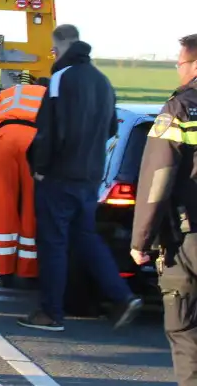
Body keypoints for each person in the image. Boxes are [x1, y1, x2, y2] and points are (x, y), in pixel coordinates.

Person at [19, 24, 142, 332]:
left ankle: (51, 313)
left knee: (53, 243)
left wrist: (40, 166)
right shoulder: (103, 81)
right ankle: (122, 296)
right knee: (86, 237)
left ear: (58, 46)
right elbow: (112, 128)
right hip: (91, 175)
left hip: (59, 174)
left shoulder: (61, 78)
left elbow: (48, 129)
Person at [130, 34, 197, 384]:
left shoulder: (181, 108)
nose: (177, 68)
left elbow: (158, 178)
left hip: (190, 239)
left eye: (180, 63)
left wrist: (141, 239)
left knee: (185, 331)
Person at [0, 75, 47, 288]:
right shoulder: (52, 95)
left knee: (3, 203)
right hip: (35, 141)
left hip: (4, 138)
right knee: (32, 204)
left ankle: (3, 272)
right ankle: (29, 270)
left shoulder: (10, 93)